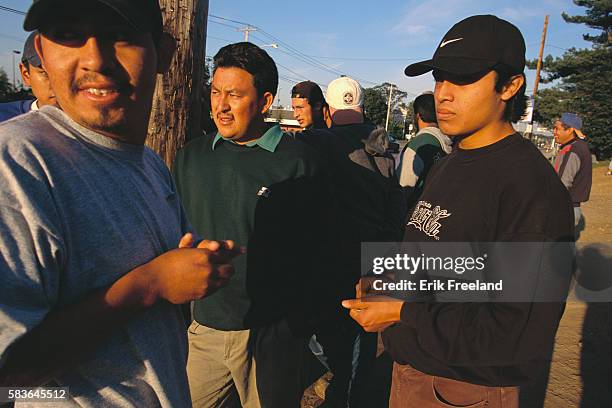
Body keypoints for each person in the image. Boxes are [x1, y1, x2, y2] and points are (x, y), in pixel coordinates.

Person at [0, 1, 240, 406]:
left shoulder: (146, 163)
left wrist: (196, 264)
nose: (95, 58)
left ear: (163, 54)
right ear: (41, 52)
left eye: (120, 33)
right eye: (69, 34)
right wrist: (150, 285)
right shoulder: (18, 163)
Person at [342, 15, 574, 408]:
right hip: (412, 372)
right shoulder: (451, 161)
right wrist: (386, 281)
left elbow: (519, 331)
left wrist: (402, 313)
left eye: (463, 79)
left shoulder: (530, 188)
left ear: (510, 85)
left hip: (463, 390)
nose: (443, 94)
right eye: (439, 78)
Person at [172, 42, 334, 408]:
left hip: (270, 335)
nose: (221, 106)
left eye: (234, 94)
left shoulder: (300, 163)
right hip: (204, 329)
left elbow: (321, 251)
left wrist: (295, 327)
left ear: (263, 101)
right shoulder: (190, 158)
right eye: (215, 92)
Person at [300, 76, 405, 407]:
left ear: (329, 110)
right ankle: (352, 395)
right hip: (375, 259)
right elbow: (397, 211)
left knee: (322, 334)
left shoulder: (317, 143)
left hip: (330, 261)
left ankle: (337, 383)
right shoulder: (388, 148)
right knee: (363, 335)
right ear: (361, 108)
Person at [398, 92, 452, 209]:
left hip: (414, 215)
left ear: (418, 116)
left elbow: (402, 189)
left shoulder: (419, 145)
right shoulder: (448, 143)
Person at [0, 31, 56, 121]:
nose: (58, 83)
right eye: (45, 73)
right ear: (26, 75)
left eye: (70, 71)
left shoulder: (86, 123)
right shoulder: (4, 118)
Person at [553, 112, 592, 234]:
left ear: (569, 130)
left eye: (557, 129)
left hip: (563, 208)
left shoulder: (572, 150)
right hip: (570, 207)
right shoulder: (579, 146)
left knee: (557, 249)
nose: (554, 132)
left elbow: (562, 184)